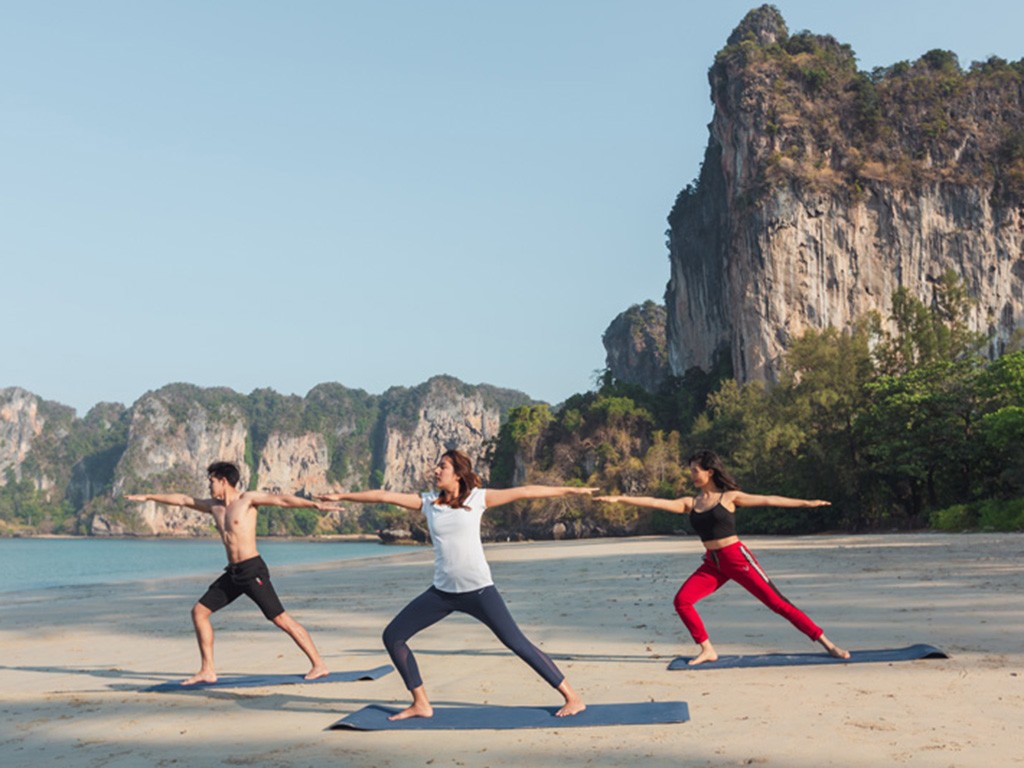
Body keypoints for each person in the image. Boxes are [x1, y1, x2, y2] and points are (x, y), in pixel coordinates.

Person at [317, 449, 595, 720]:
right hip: (442, 593)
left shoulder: (478, 498)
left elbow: (526, 491)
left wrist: (572, 491)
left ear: (458, 475)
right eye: (437, 467)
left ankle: (572, 697)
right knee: (393, 636)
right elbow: (382, 496)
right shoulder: (428, 503)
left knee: (516, 642)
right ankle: (421, 703)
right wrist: (341, 495)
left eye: (443, 467)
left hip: (479, 591)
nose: (436, 471)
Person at [596, 449, 849, 666]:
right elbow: (654, 502)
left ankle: (827, 643)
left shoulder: (729, 497)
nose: (692, 475)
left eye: (695, 470)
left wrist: (807, 503)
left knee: (777, 603)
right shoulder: (690, 502)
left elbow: (769, 500)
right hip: (713, 563)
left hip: (737, 558)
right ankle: (707, 649)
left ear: (710, 472)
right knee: (682, 601)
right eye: (691, 470)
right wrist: (620, 498)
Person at [125, 461, 339, 685]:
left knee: (280, 618)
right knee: (199, 612)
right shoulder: (214, 507)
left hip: (252, 569)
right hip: (233, 572)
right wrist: (149, 496)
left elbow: (282, 500)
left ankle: (318, 664)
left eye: (212, 481)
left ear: (223, 481)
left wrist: (314, 506)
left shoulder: (247, 500)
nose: (209, 486)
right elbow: (182, 500)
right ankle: (207, 670)